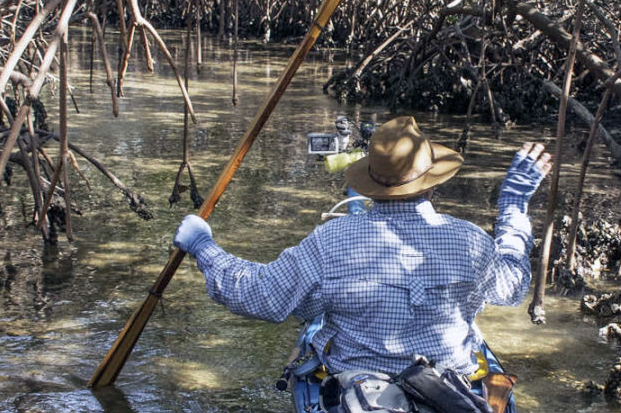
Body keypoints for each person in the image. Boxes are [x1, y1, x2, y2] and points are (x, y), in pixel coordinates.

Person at [173, 115, 552, 377]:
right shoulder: (471, 241)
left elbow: (260, 297)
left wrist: (203, 247)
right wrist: (514, 206)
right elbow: (513, 285)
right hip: (453, 388)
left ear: (370, 182)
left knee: (311, 304)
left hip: (361, 400)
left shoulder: (331, 241)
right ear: (434, 183)